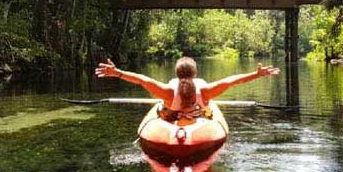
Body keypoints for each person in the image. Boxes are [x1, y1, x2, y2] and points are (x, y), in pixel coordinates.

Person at [94, 57, 279, 121]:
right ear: (195, 73)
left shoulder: (167, 92)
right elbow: (231, 81)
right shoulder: (206, 91)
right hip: (198, 119)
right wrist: (257, 74)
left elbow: (142, 80)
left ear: (176, 73)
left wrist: (117, 72)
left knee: (163, 109)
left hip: (171, 118)